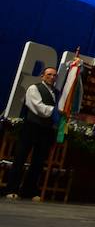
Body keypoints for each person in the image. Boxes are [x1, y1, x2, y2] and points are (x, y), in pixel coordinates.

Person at [3, 67, 59, 201]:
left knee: (38, 161)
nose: (52, 77)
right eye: (49, 74)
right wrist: (56, 111)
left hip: (46, 130)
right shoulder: (34, 88)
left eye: (54, 75)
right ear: (42, 76)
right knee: (20, 158)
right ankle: (12, 189)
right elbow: (38, 107)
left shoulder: (57, 93)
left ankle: (29, 190)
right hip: (31, 127)